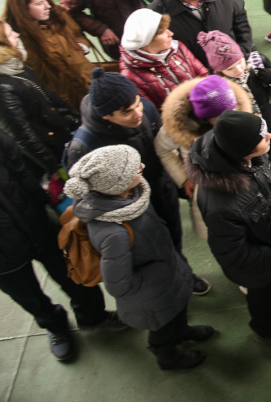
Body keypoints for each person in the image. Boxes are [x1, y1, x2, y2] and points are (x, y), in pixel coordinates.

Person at [0, 127, 124, 362]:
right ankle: (55, 325)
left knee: (75, 275)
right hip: (3, 259)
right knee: (29, 297)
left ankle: (93, 316)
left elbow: (23, 173)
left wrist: (46, 209)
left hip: (39, 228)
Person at [187, 111, 271, 359]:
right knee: (265, 302)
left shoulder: (246, 157)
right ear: (244, 149)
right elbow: (233, 253)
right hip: (258, 267)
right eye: (262, 136)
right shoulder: (221, 205)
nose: (269, 135)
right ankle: (266, 331)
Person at [65, 68, 212, 296]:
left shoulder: (146, 108)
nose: (138, 113)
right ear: (106, 116)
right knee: (151, 250)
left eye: (137, 103)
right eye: (127, 112)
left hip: (161, 190)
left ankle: (182, 271)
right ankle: (170, 283)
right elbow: (86, 195)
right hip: (130, 210)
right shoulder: (84, 146)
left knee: (173, 236)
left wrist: (181, 178)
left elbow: (163, 147)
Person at [66, 145, 214, 370]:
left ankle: (182, 331)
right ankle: (168, 357)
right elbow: (118, 284)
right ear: (117, 183)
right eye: (135, 168)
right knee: (162, 327)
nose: (143, 166)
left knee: (176, 313)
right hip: (153, 293)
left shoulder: (131, 198)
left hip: (167, 274)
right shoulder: (113, 232)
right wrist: (156, 275)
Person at [0, 18, 79, 178]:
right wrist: (54, 167)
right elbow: (23, 136)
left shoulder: (12, 65)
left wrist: (76, 117)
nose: (16, 34)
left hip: (64, 135)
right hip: (56, 152)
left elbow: (47, 95)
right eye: (9, 34)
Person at [156, 74, 252, 240]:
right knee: (222, 236)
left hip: (247, 184)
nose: (233, 115)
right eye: (222, 115)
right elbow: (163, 150)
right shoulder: (182, 129)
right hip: (208, 191)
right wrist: (184, 178)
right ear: (206, 118)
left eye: (233, 108)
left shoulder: (240, 113)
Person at [198, 30, 271, 180]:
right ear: (218, 70)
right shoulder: (218, 89)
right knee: (267, 171)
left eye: (240, 62)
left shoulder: (258, 62)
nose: (239, 70)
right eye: (230, 68)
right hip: (252, 141)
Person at [148, 0, 254, 70]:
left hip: (235, 67)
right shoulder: (157, 14)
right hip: (200, 77)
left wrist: (242, 54)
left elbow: (240, 18)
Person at [4, 0, 95, 109]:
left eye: (46, 0)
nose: (48, 6)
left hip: (89, 81)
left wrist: (81, 48)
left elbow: (78, 35)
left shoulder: (58, 15)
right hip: (64, 98)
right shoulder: (15, 38)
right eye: (39, 3)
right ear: (22, 9)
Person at [118, 8, 208, 109]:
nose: (170, 33)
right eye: (162, 32)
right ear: (146, 41)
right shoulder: (130, 76)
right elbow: (150, 112)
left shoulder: (178, 48)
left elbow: (204, 76)